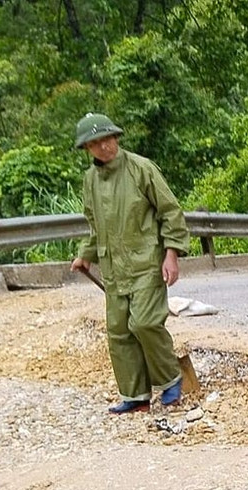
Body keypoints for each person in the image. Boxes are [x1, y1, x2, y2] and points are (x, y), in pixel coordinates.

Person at [69, 112, 191, 414]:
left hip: (146, 262)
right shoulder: (90, 180)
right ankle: (135, 395)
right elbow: (95, 224)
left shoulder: (141, 168)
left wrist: (172, 253)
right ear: (87, 149)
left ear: (116, 137)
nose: (103, 147)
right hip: (113, 268)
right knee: (120, 331)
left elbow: (170, 211)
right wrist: (86, 254)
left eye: (107, 139)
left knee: (145, 323)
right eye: (95, 143)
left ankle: (171, 378)